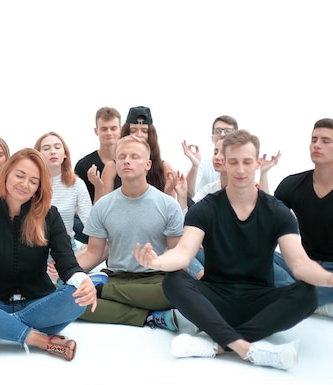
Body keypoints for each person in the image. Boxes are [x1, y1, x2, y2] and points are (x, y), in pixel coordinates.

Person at [134, 129, 333, 370]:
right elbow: (184, 252)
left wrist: (329, 279)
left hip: (260, 300)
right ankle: (246, 348)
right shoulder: (206, 208)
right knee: (173, 281)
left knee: (308, 293)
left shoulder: (276, 211)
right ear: (224, 164)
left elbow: (299, 264)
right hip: (216, 297)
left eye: (247, 162)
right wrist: (156, 263)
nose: (240, 170)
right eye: (234, 162)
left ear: (257, 163)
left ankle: (218, 345)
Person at [0, 148, 97, 361]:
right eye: (20, 175)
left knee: (78, 298)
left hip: (40, 301)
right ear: (7, 174)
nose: (24, 184)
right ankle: (39, 339)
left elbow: (67, 264)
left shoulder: (50, 215)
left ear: (39, 186)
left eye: (33, 181)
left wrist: (84, 282)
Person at [75, 135, 184, 329]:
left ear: (148, 164)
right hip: (117, 277)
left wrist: (99, 290)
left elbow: (178, 258)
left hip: (155, 280)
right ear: (116, 165)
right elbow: (93, 253)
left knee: (176, 291)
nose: (127, 161)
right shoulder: (103, 206)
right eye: (122, 157)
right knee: (70, 301)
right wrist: (68, 273)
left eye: (135, 156)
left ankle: (104, 293)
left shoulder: (168, 205)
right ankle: (150, 316)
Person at [187, 138, 288, 283]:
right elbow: (192, 220)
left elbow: (268, 217)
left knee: (291, 277)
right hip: (227, 256)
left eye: (222, 153)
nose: (217, 157)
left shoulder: (249, 190)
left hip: (252, 252)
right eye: (215, 152)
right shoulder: (210, 192)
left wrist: (264, 173)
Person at [274, 118, 333, 317]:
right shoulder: (292, 185)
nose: (317, 145)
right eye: (314, 139)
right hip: (302, 265)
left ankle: (298, 298)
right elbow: (267, 223)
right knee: (254, 257)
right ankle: (307, 300)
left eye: (326, 141)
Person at [99, 106, 188, 211]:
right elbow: (102, 208)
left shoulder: (164, 167)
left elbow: (170, 211)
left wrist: (168, 190)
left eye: (144, 131)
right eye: (133, 130)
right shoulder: (112, 167)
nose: (139, 135)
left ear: (148, 164)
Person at [34, 132, 92, 252]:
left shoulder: (77, 184)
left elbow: (90, 222)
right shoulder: (31, 183)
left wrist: (90, 249)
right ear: (38, 155)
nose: (53, 152)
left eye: (57, 147)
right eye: (46, 148)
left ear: (65, 153)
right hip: (35, 248)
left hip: (66, 246)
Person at [73, 107, 122, 245]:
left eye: (113, 128)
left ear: (121, 129)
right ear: (96, 131)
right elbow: (77, 206)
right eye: (104, 129)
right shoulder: (83, 165)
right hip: (92, 221)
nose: (109, 133)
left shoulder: (129, 163)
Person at [182, 115, 238, 199]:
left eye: (227, 131)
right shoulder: (201, 160)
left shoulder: (243, 162)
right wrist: (195, 165)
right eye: (218, 131)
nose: (222, 134)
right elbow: (188, 194)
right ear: (212, 138)